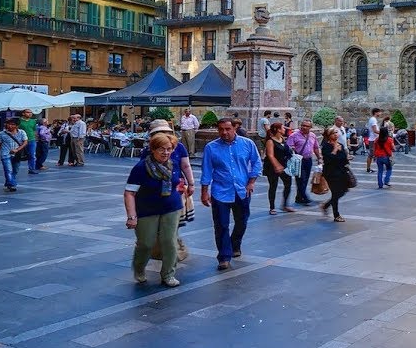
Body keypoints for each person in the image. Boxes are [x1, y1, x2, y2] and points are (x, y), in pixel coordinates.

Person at [125, 128, 186, 288]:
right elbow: (129, 193)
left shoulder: (173, 164)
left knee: (170, 241)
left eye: (169, 149)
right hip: (147, 209)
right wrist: (132, 216)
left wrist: (182, 187)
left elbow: (177, 181)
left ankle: (168, 274)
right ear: (152, 149)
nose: (166, 153)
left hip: (171, 207)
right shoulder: (141, 168)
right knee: (146, 243)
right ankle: (139, 268)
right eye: (161, 149)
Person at [200, 117, 262, 271]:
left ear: (235, 128)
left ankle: (235, 243)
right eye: (221, 129)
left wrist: (251, 181)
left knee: (242, 221)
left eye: (227, 129)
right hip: (220, 191)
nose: (224, 132)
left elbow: (257, 162)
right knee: (221, 224)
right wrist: (204, 192)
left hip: (242, 190)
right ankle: (224, 256)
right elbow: (206, 170)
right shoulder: (211, 147)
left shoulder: (247, 144)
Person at [263, 121, 296, 215]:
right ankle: (272, 207)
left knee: (288, 183)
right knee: (273, 186)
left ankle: (285, 204)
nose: (284, 129)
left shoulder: (282, 139)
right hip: (271, 166)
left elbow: (286, 151)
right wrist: (276, 165)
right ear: (277, 130)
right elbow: (270, 155)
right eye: (282, 127)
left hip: (284, 165)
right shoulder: (270, 141)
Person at [319, 126, 350, 222]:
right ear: (328, 136)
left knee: (343, 190)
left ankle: (326, 205)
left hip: (342, 171)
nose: (335, 134)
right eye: (333, 133)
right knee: (335, 192)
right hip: (331, 173)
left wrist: (347, 159)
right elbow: (328, 160)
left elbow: (343, 159)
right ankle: (336, 215)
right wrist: (335, 150)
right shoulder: (326, 146)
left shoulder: (340, 144)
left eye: (336, 132)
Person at [289, 120, 322, 204]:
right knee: (301, 179)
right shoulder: (294, 135)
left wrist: (319, 158)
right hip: (298, 160)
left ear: (310, 127)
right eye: (303, 125)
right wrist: (292, 150)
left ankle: (299, 198)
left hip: (308, 159)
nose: (304, 127)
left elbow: (315, 147)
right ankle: (305, 197)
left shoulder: (312, 136)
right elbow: (289, 147)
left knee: (306, 179)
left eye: (307, 126)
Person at [0, 117, 27, 192]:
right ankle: (12, 184)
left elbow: (25, 142)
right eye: (8, 124)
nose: (10, 126)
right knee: (8, 170)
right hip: (5, 154)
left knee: (15, 170)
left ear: (17, 126)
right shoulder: (2, 133)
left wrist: (17, 150)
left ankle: (8, 183)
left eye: (12, 124)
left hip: (17, 154)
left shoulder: (22, 132)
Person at [19, 108, 40, 175]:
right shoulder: (19, 121)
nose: (30, 114)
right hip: (21, 140)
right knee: (18, 155)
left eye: (31, 112)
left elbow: (34, 130)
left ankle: (31, 169)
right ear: (23, 113)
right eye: (28, 112)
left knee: (32, 154)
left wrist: (36, 138)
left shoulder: (33, 121)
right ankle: (14, 167)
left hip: (31, 140)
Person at [365, 107, 381, 173]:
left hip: (374, 139)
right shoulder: (373, 120)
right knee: (371, 154)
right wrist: (383, 132)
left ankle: (369, 168)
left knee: (373, 154)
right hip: (373, 139)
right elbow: (375, 130)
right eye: (379, 112)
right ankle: (368, 168)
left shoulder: (373, 119)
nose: (380, 113)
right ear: (376, 113)